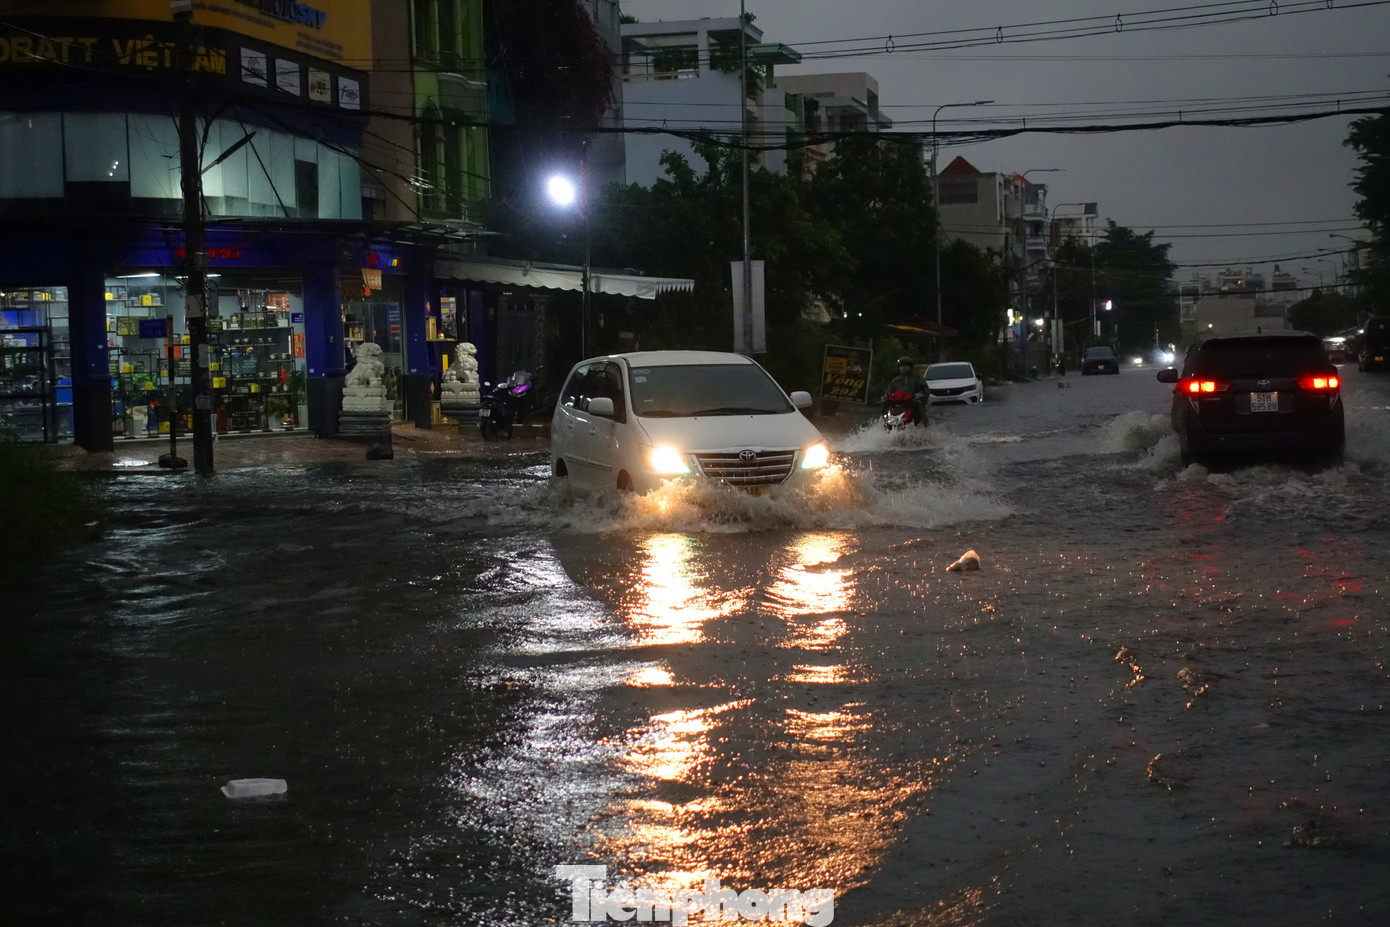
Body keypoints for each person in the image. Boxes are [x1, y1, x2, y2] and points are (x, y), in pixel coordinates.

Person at [883, 356, 927, 426]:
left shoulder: (918, 379)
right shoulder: (895, 380)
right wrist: (885, 397)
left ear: (910, 367)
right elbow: (888, 392)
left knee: (920, 412)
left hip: (913, 404)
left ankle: (924, 427)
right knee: (885, 410)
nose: (903, 368)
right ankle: (885, 424)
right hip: (898, 406)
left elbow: (925, 391)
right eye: (901, 366)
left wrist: (917, 396)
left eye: (906, 366)